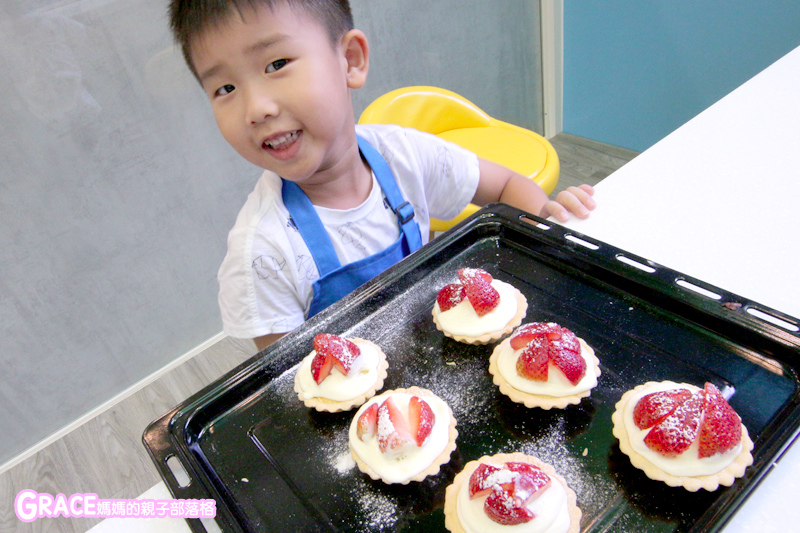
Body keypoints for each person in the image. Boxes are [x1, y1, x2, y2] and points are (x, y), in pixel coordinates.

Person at [168, 0, 596, 350]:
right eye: (225, 88)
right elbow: (284, 380)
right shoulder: (261, 253)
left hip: (448, 349)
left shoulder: (403, 154)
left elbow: (506, 186)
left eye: (276, 63)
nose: (255, 107)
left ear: (350, 60)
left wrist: (546, 223)